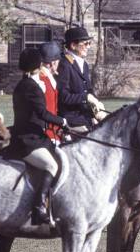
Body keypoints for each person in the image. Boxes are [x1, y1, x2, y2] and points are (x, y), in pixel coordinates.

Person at [11, 48, 68, 225]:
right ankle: (39, 208)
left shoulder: (26, 84)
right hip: (27, 140)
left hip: (36, 136)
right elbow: (42, 113)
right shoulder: (31, 87)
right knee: (50, 165)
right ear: (37, 65)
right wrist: (62, 122)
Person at [55, 26, 106, 134]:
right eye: (85, 44)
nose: (88, 47)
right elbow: (63, 97)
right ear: (73, 45)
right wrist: (86, 97)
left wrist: (97, 106)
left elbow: (88, 90)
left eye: (89, 43)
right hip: (71, 119)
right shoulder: (64, 64)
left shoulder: (85, 65)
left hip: (85, 116)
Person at [39, 41, 63, 144]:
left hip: (54, 131)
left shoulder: (47, 78)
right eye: (58, 62)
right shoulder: (41, 81)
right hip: (45, 135)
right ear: (53, 63)